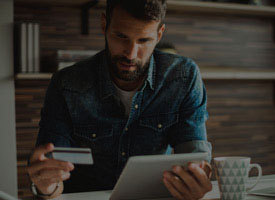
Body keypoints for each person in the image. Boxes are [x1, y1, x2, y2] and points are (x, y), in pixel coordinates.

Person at [27, 0, 213, 199]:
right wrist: (47, 187)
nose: (131, 54)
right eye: (121, 36)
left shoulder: (183, 77)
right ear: (104, 24)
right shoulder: (66, 85)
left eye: (143, 40)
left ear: (159, 35)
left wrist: (198, 178)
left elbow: (195, 155)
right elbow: (51, 175)